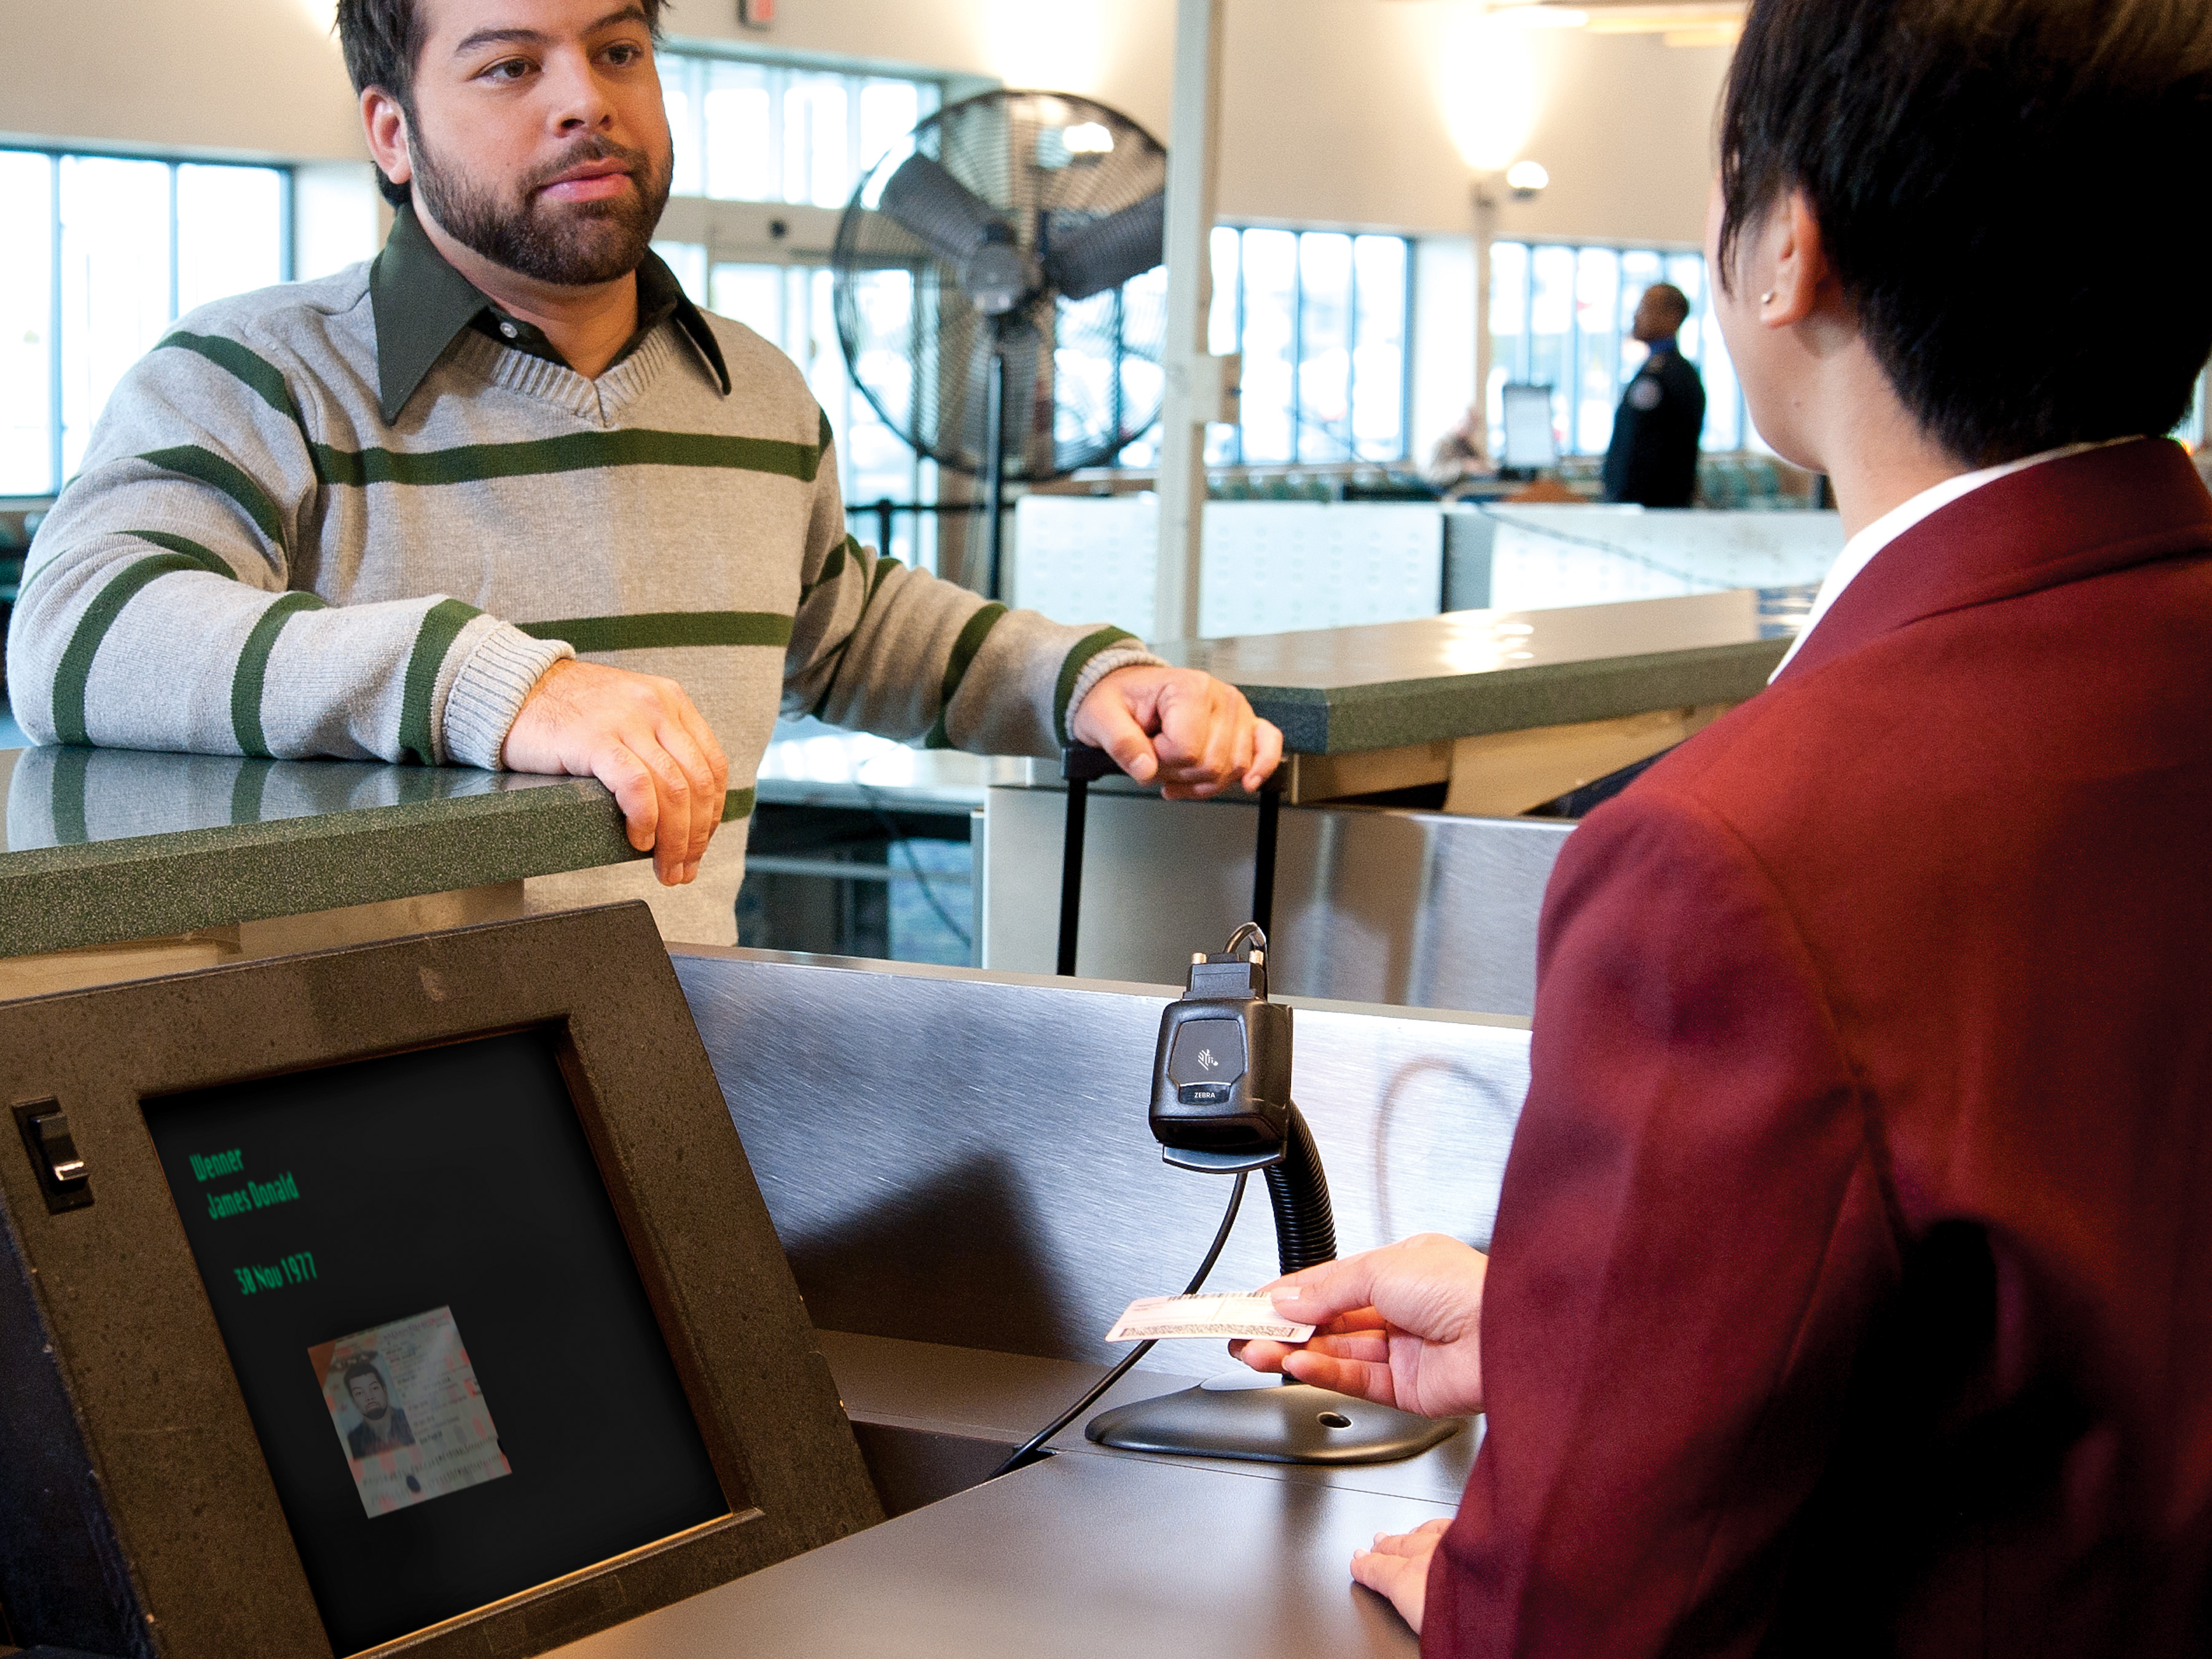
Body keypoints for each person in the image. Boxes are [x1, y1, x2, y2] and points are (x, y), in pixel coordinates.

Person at [1237, 1, 2212, 1651]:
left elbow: (1595, 1612)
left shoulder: (1738, 855)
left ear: (1788, 253)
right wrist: (1577, 1334)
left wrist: (1491, 1586)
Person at [1, 0, 1281, 943]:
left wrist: (1095, 679)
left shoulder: (754, 390)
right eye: (510, 66)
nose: (586, 102)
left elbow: (851, 624)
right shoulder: (260, 373)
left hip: (682, 1073)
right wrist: (498, 687)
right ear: (391, 132)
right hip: (366, 1101)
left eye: (618, 52)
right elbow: (77, 630)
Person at [1600, 282, 1705, 508]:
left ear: (1673, 317)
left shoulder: (1670, 375)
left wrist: (1623, 497)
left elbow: (1643, 452)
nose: (1636, 316)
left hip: (1652, 508)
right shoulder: (1657, 370)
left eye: (1645, 308)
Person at [342, 1359, 416, 1459]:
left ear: (385, 1390)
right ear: (354, 1401)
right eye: (359, 1393)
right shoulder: (353, 1441)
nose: (369, 1397)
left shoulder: (410, 1416)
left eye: (374, 1388)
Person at [1423, 403, 1498, 496]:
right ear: (1459, 421)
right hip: (1451, 494)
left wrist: (1485, 469)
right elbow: (1431, 476)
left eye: (1475, 426)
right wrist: (1463, 467)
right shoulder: (1440, 445)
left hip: (1472, 489)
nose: (1473, 429)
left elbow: (1483, 464)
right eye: (1470, 424)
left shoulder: (1469, 445)